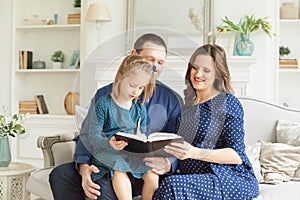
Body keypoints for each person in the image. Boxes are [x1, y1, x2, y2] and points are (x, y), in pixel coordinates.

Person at [49, 33, 183, 200]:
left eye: (160, 62)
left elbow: (178, 142)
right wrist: (84, 168)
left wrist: (167, 163)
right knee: (60, 175)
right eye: (150, 59)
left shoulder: (171, 100)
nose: (154, 67)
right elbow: (86, 135)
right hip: (109, 160)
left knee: (103, 189)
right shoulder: (104, 95)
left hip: (143, 168)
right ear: (134, 56)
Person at [153, 44, 259, 199]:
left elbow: (236, 155)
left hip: (229, 177)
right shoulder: (186, 109)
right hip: (196, 177)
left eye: (206, 70)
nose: (198, 73)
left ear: (217, 74)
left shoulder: (227, 102)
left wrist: (194, 152)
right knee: (160, 180)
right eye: (195, 68)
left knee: (172, 186)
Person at [89, 55, 158, 200]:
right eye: (132, 85)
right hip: (108, 152)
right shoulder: (104, 103)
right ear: (120, 77)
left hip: (130, 153)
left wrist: (146, 148)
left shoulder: (139, 108)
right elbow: (93, 136)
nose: (136, 92)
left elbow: (142, 135)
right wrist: (109, 143)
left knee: (152, 175)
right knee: (119, 167)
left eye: (140, 88)